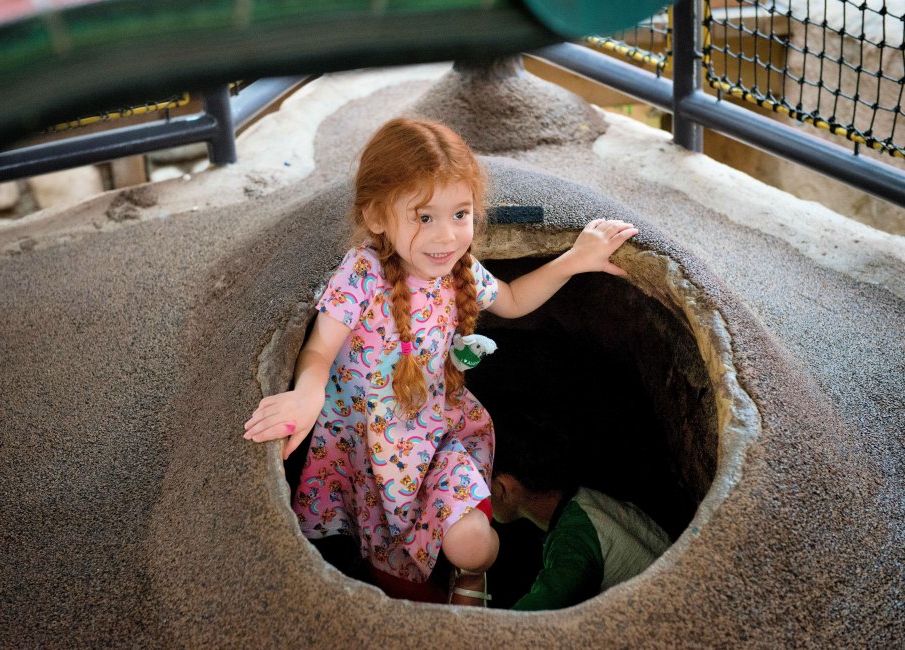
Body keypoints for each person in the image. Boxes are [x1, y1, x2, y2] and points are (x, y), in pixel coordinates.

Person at [243, 117, 638, 605]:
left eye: (461, 214)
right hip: (363, 443)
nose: (446, 235)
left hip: (434, 436)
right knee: (375, 554)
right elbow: (321, 347)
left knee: (472, 544)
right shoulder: (363, 273)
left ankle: (471, 579)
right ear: (376, 216)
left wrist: (575, 259)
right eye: (424, 217)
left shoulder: (460, 270)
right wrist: (307, 392)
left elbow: (511, 299)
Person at [491, 409, 671, 611]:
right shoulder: (586, 500)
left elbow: (521, 624)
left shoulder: (573, 539)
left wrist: (470, 583)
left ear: (502, 487)